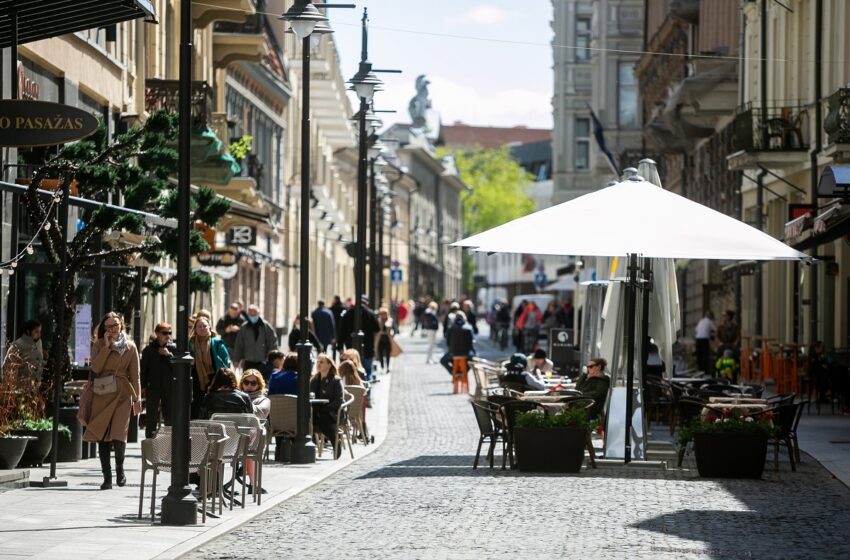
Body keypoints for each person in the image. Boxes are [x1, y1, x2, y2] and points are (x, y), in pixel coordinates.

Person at [84, 312, 142, 490]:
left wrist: (137, 399)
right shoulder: (99, 344)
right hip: (102, 393)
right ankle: (107, 478)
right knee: (102, 435)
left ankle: (120, 468)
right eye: (108, 326)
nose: (112, 329)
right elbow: (95, 367)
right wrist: (107, 347)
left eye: (115, 325)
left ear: (121, 325)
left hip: (123, 395)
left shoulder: (130, 347)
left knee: (119, 435)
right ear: (104, 329)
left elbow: (135, 376)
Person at [189, 316, 231, 419]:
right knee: (197, 404)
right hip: (196, 379)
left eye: (204, 326)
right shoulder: (190, 344)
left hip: (214, 379)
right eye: (199, 326)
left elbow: (225, 363)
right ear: (195, 329)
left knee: (212, 404)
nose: (202, 328)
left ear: (210, 328)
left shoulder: (217, 344)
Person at [139, 322, 176, 438]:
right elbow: (143, 370)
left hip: (169, 388)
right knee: (151, 418)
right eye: (164, 333)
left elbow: (178, 368)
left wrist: (168, 355)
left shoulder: (174, 349)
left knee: (169, 417)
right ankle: (150, 444)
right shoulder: (149, 350)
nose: (167, 336)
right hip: (153, 387)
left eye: (169, 333)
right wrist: (142, 387)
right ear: (157, 333)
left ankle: (170, 444)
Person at [309, 354, 344, 459]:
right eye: (318, 362)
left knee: (323, 417)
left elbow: (339, 400)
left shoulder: (336, 380)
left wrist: (325, 409)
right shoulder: (314, 379)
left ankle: (335, 442)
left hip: (332, 413)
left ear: (329, 365)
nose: (318, 364)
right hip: (316, 410)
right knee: (304, 418)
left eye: (322, 362)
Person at [337, 295, 380, 376]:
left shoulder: (348, 313)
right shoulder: (370, 313)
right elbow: (377, 329)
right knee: (367, 371)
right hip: (368, 348)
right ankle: (367, 387)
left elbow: (341, 332)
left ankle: (356, 387)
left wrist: (340, 347)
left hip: (351, 349)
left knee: (352, 371)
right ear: (366, 303)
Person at [233, 304, 278, 379]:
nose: (253, 316)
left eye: (254, 313)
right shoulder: (244, 327)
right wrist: (236, 359)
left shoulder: (266, 326)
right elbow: (239, 344)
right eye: (251, 314)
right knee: (247, 381)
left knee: (262, 382)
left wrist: (272, 358)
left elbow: (272, 342)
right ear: (248, 314)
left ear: (258, 313)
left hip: (263, 361)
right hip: (248, 361)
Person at [694, 310, 716, 374]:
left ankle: (699, 368)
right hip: (704, 339)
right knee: (705, 354)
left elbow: (696, 329)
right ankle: (705, 369)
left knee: (699, 354)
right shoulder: (710, 321)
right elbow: (716, 329)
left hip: (698, 338)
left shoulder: (701, 321)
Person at [375, 307, 394, 373]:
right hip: (380, 339)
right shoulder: (378, 321)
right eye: (382, 313)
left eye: (384, 313)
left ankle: (388, 367)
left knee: (388, 354)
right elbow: (376, 330)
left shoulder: (390, 320)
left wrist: (392, 332)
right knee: (380, 354)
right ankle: (382, 367)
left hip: (388, 339)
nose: (383, 315)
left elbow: (395, 329)